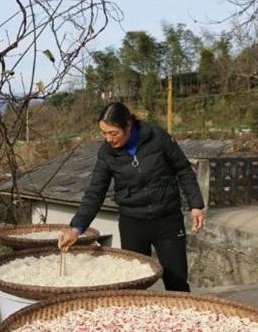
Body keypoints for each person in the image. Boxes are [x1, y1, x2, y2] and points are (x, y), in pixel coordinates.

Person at [58, 102, 205, 292]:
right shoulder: (106, 153)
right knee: (134, 282)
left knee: (176, 280)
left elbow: (183, 170)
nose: (108, 139)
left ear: (128, 125)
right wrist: (76, 228)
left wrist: (196, 204)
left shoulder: (158, 137)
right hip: (133, 223)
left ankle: (182, 319)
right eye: (103, 133)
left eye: (113, 133)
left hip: (167, 221)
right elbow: (95, 192)